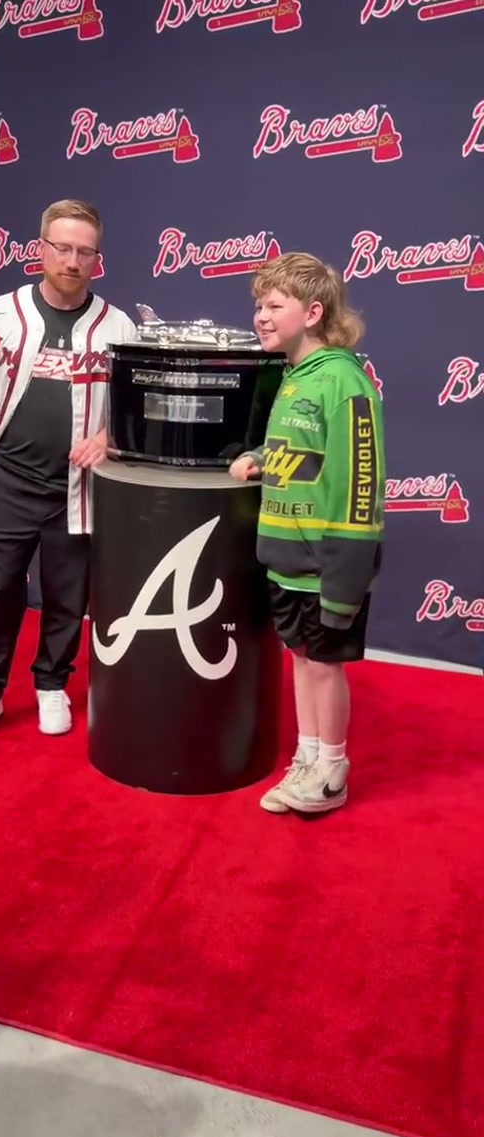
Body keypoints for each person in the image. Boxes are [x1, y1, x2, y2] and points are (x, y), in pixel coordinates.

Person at [0, 199, 136, 746]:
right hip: (5, 481)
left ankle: (52, 684)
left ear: (97, 259)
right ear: (40, 250)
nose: (72, 261)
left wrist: (107, 438)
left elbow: (135, 404)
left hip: (76, 489)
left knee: (67, 597)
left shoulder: (117, 325)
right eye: (62, 248)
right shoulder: (1, 314)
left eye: (84, 252)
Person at [230, 252, 385, 814]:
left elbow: (359, 483)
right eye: (258, 306)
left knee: (323, 665)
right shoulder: (293, 378)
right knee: (300, 658)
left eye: (275, 305)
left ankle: (333, 770)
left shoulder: (344, 381)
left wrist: (346, 578)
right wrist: (258, 457)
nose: (261, 316)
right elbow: (299, 454)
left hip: (327, 565)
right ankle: (308, 757)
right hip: (286, 562)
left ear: (314, 312)